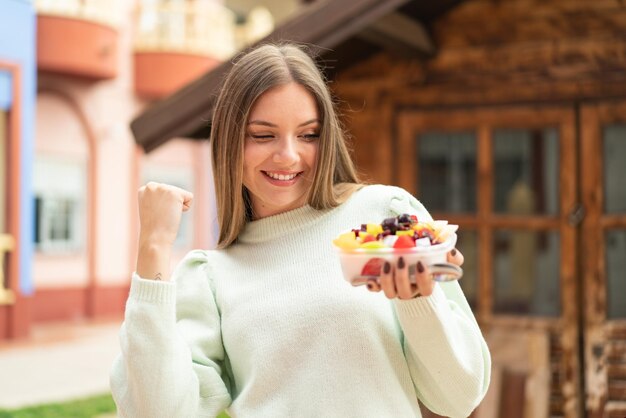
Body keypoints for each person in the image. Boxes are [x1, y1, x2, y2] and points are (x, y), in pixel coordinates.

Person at [110, 42, 491, 418]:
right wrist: (154, 248)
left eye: (308, 134)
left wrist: (417, 299)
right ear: (229, 143)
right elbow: (156, 412)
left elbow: (459, 398)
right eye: (263, 135)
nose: (289, 156)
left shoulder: (385, 217)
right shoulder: (212, 277)